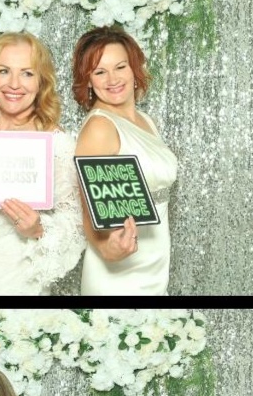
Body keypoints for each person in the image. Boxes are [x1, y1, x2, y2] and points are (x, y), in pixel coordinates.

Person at [0, 33, 84, 296]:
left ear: (41, 82)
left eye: (27, 73)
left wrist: (39, 228)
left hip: (25, 284)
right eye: (4, 71)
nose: (14, 84)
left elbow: (76, 222)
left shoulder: (58, 144)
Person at [73, 26, 178, 294]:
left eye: (120, 67)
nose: (113, 79)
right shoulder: (100, 127)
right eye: (100, 72)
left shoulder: (145, 121)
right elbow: (87, 207)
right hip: (119, 268)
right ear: (88, 81)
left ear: (134, 68)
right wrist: (105, 247)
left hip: (155, 257)